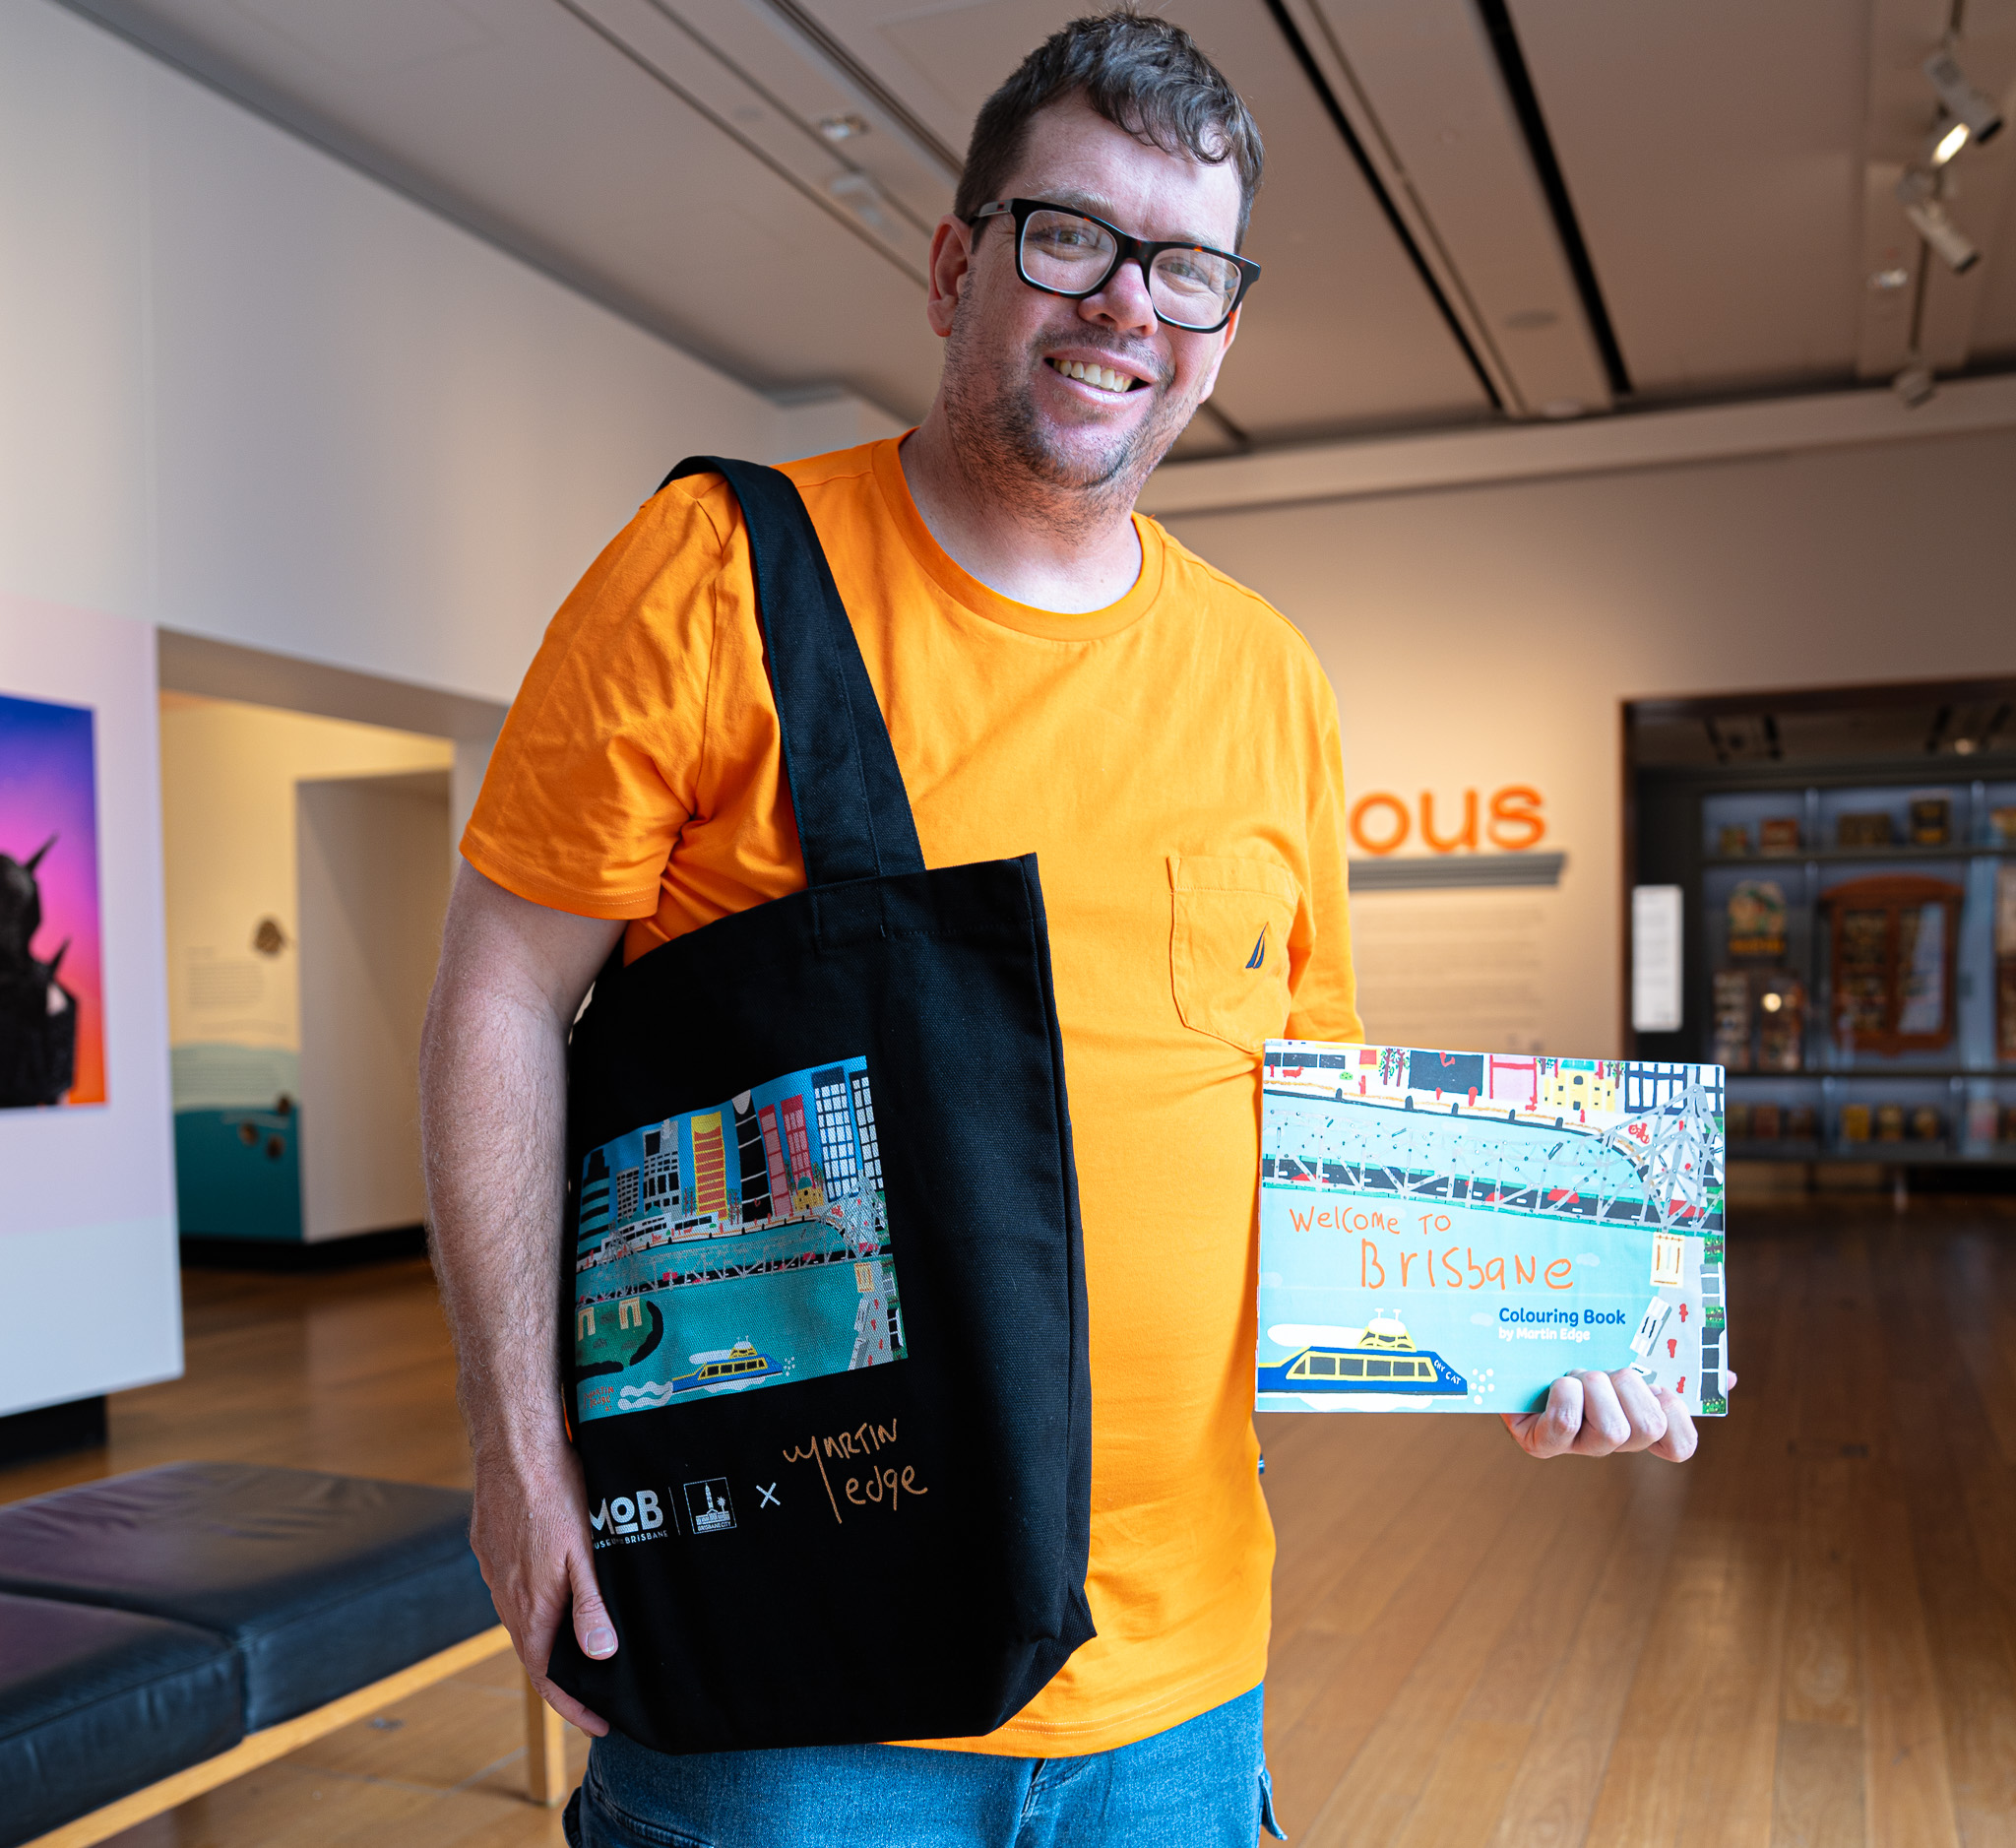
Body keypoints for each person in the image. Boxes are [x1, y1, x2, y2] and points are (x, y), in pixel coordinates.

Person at [419, 15, 1710, 1845]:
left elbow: (1312, 1118)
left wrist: (1530, 1330)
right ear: (958, 265)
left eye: (1185, 267)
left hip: (1179, 1678)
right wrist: (515, 1445)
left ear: (1223, 328)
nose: (1126, 303)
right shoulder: (715, 575)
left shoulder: (1266, 674)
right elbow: (496, 994)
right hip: (800, 1650)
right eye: (1072, 235)